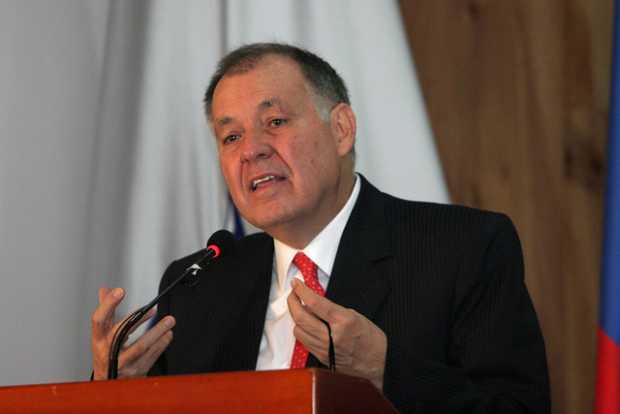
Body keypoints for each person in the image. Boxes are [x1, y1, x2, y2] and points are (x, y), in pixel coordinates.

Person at [91, 43, 550, 413]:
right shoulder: (198, 283)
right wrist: (113, 396)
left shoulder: (461, 249)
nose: (251, 150)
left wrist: (384, 370)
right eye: (231, 136)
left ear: (342, 129)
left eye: (275, 121)